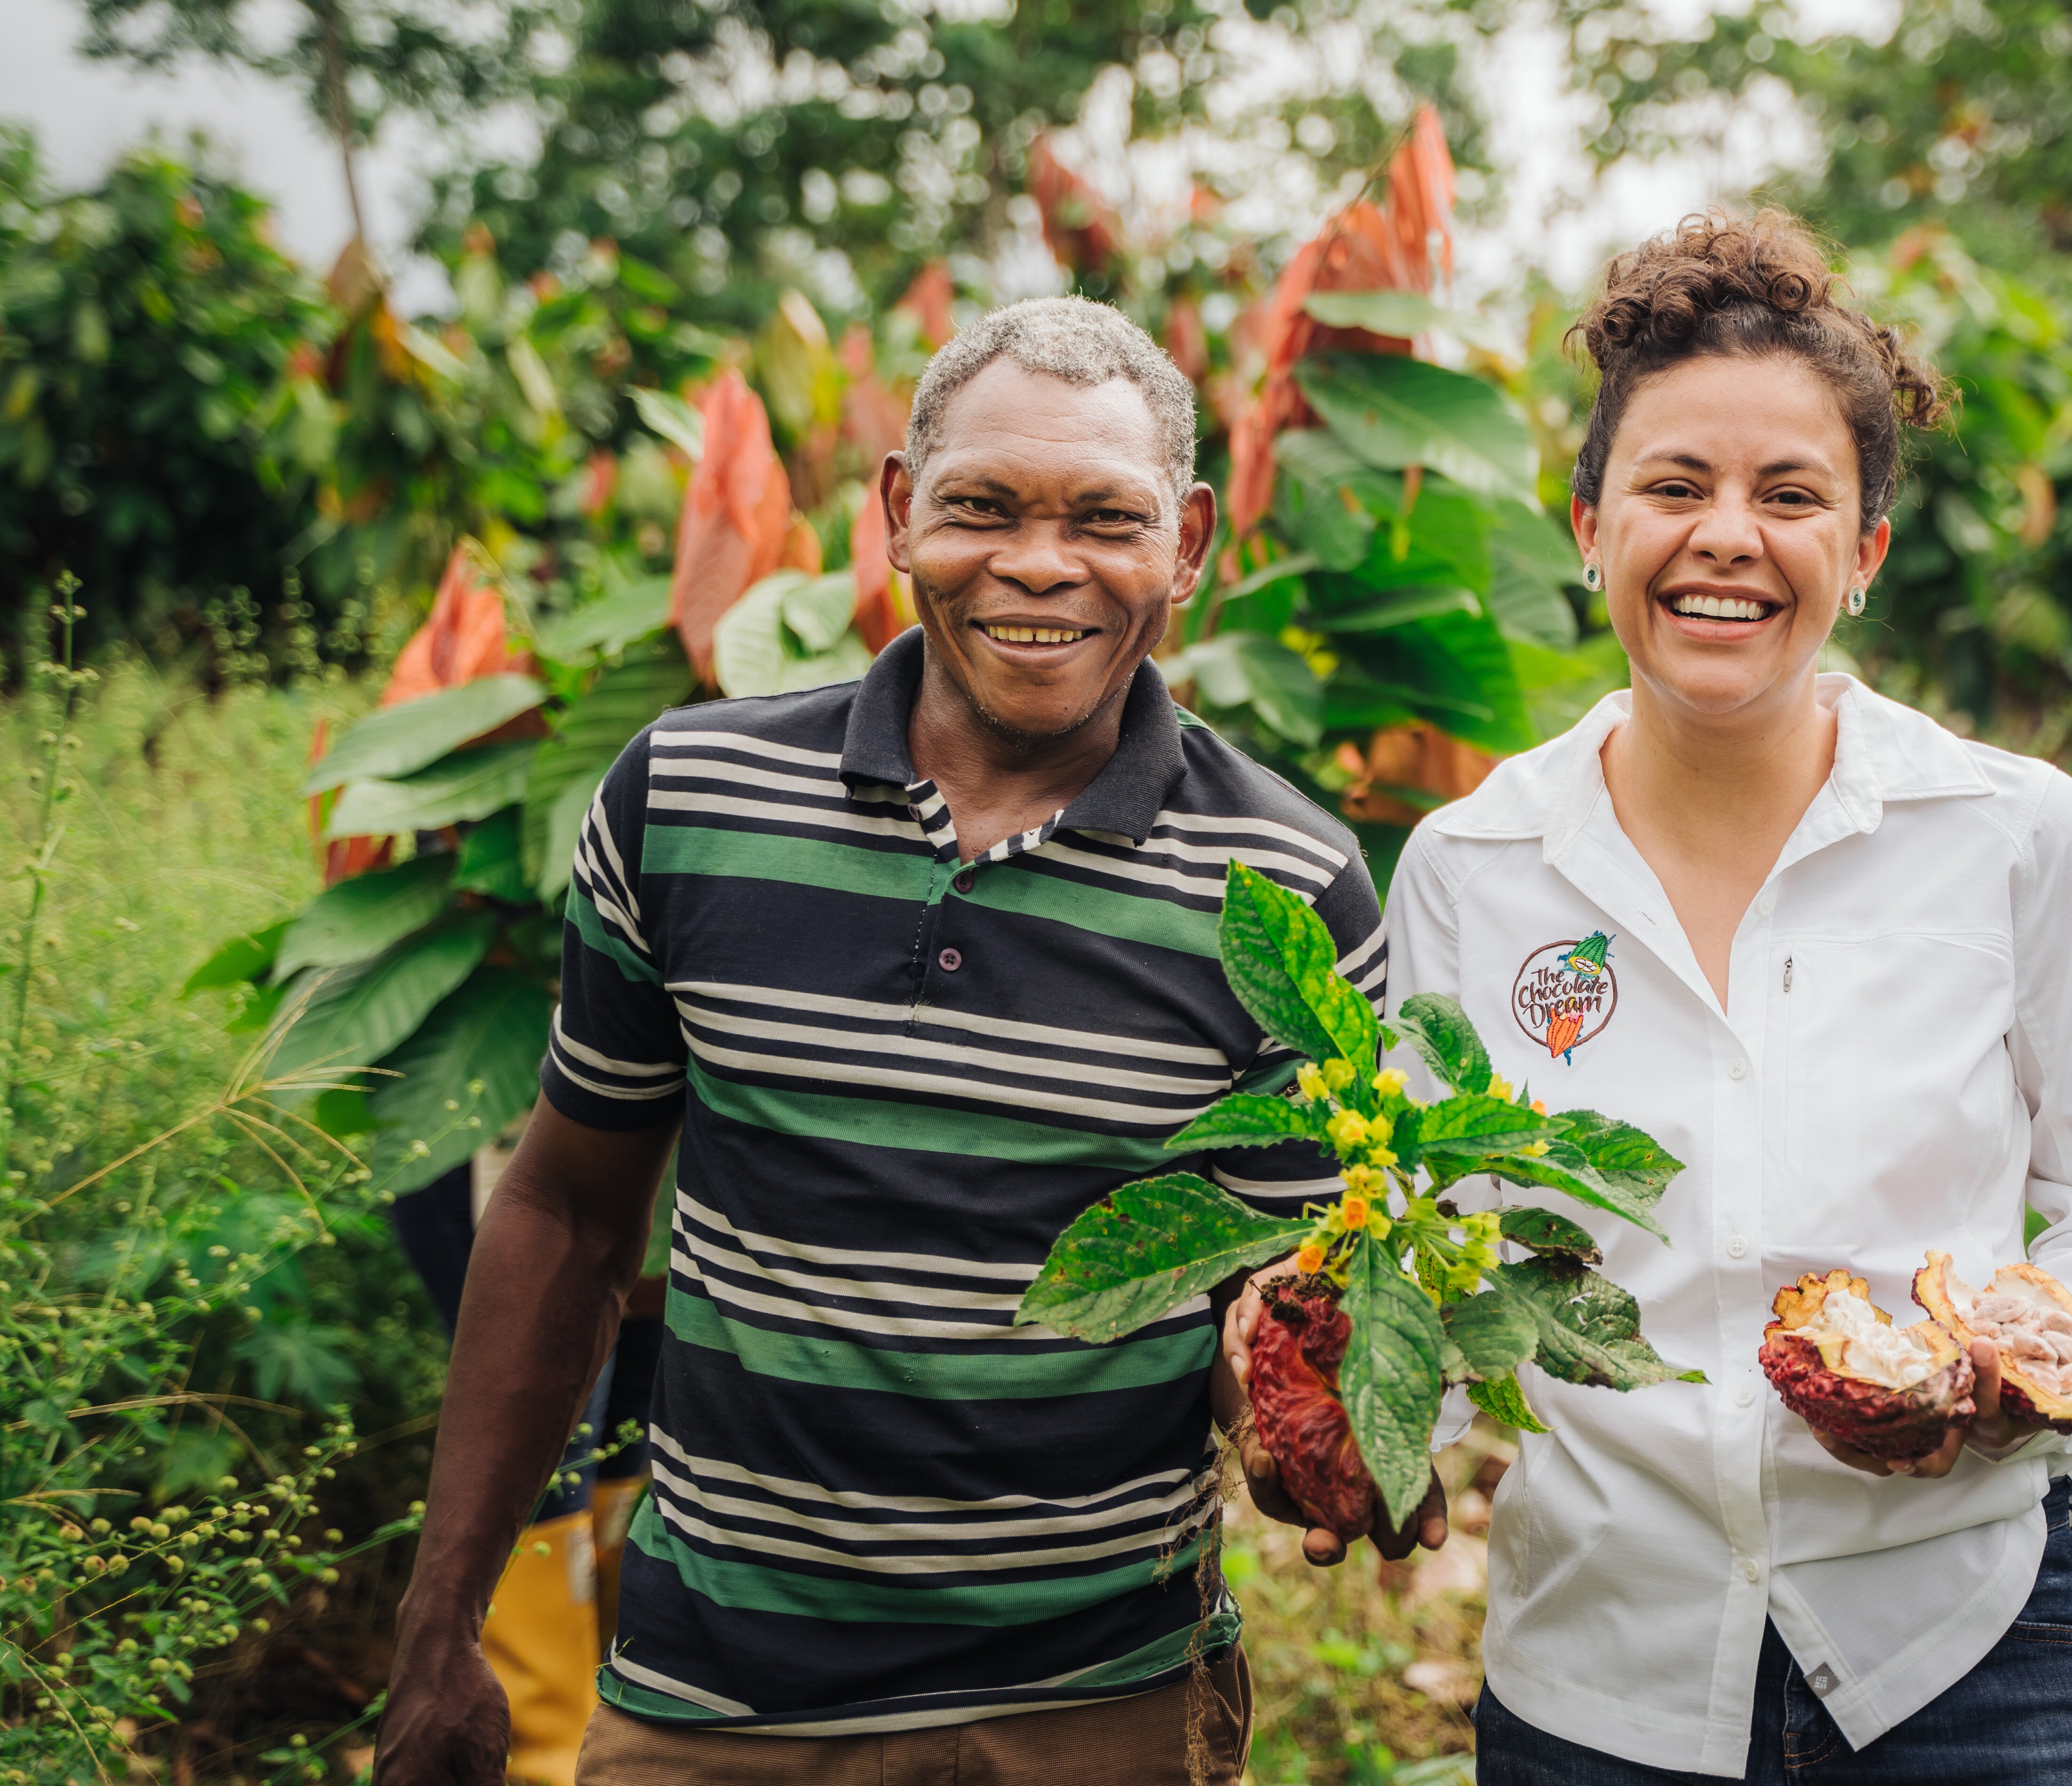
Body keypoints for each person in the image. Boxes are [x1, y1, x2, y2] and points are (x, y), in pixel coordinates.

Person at [376, 295, 1437, 1786]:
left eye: (1107, 519)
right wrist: (442, 1624)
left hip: (1089, 1710)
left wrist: (1317, 1422)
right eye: (981, 506)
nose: (1039, 564)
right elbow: (564, 1212)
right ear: (896, 512)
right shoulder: (688, 802)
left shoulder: (1285, 887)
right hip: (708, 1703)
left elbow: (1249, 1298)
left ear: (1189, 544)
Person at [1381, 212, 2072, 1782]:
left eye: (1791, 496)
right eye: (1674, 487)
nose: (1726, 538)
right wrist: (1372, 1445)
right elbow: (1435, 1247)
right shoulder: (1471, 868)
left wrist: (2025, 1373)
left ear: (1866, 550)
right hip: (1598, 1670)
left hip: (1960, 1651)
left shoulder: (2022, 839)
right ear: (1589, 524)